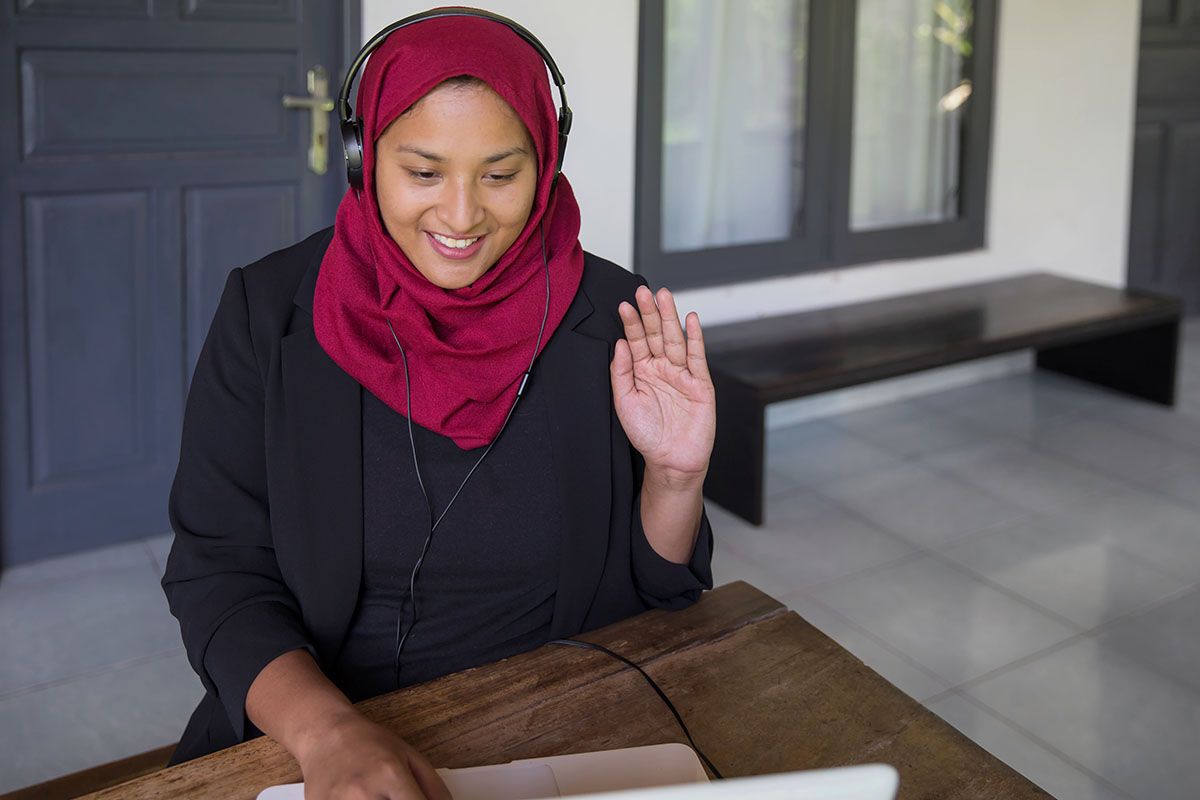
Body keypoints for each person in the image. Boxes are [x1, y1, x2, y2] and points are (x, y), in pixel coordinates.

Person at [162, 8, 716, 799]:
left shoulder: (613, 316)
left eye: (500, 174)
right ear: (363, 159)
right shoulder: (269, 312)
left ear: (547, 162)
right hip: (320, 738)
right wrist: (329, 734)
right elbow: (216, 571)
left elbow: (663, 593)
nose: (461, 216)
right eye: (423, 172)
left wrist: (674, 476)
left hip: (565, 725)